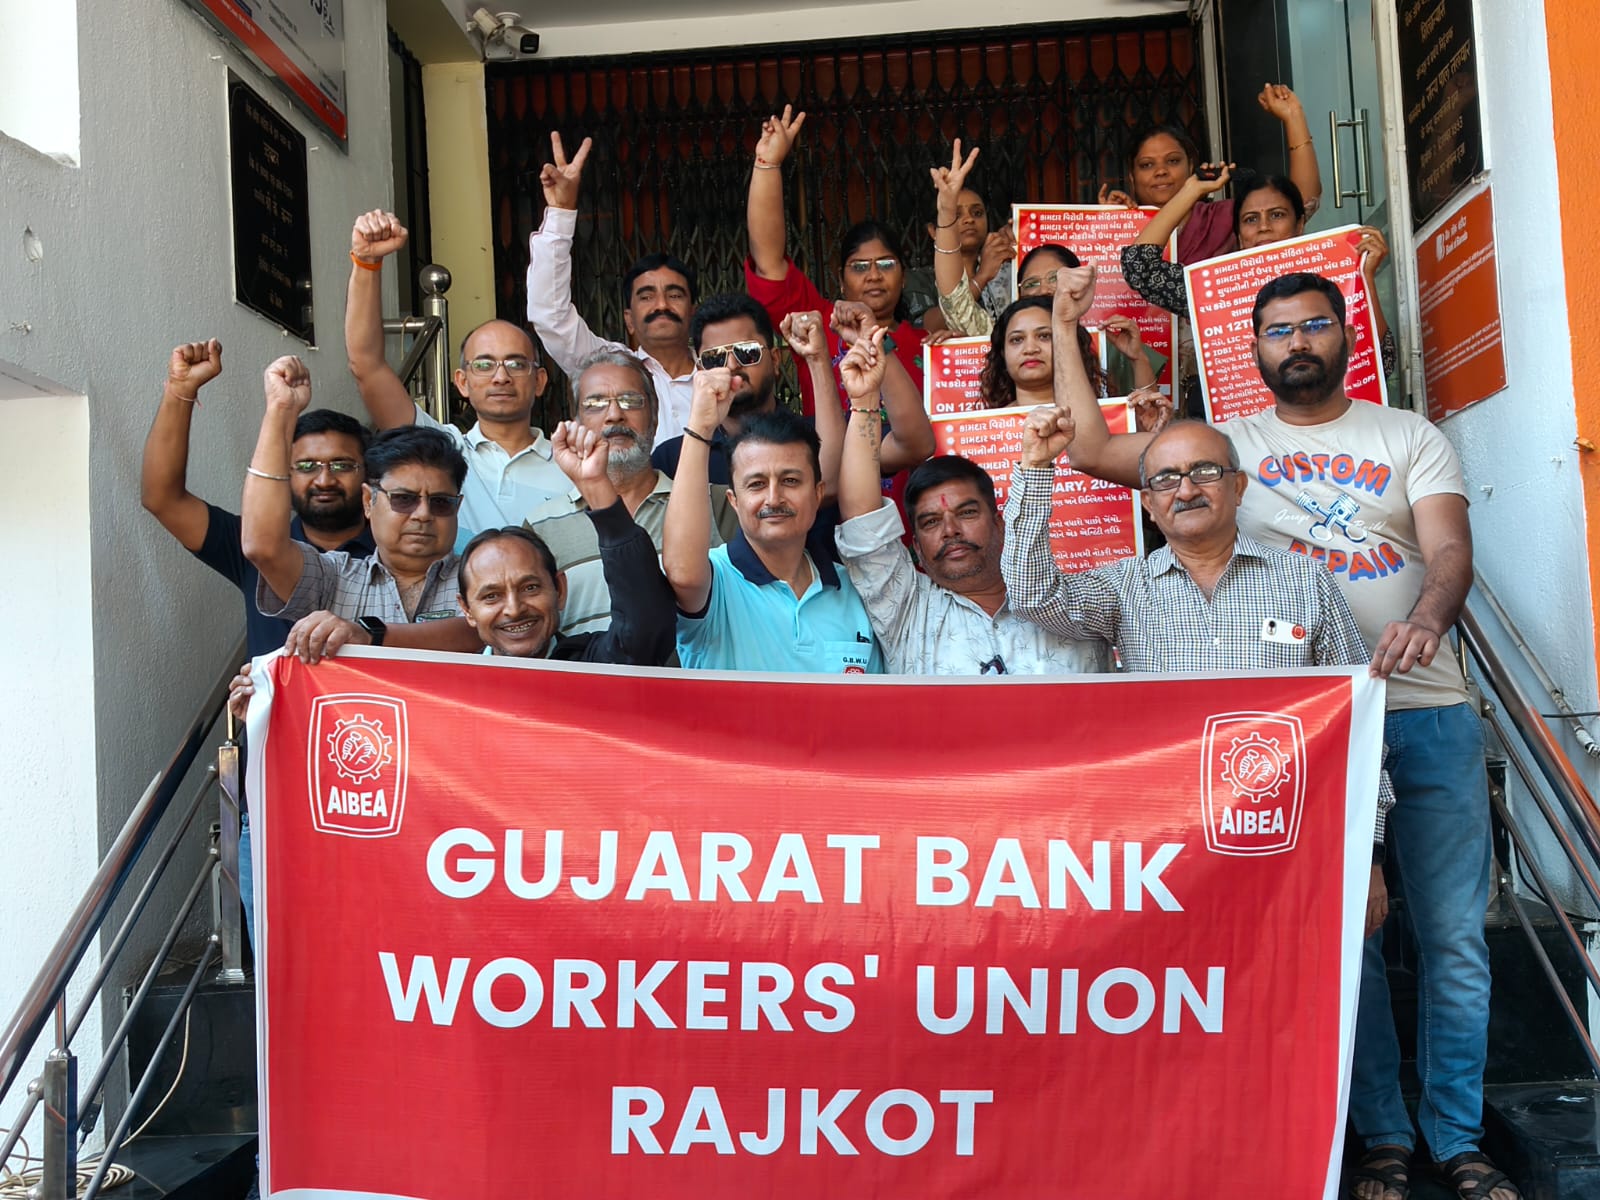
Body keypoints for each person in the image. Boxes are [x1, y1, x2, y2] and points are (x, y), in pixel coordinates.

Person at [1049, 267, 1517, 1200]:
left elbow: (1450, 551)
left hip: (1423, 709)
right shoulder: (1223, 448)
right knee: (1345, 941)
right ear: (1253, 347)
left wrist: (1426, 620)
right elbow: (1094, 447)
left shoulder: (1406, 434)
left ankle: (1458, 1140)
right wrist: (1067, 326)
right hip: (1301, 741)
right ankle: (1383, 1137)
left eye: (1314, 325)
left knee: (1454, 939)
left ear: (1347, 333)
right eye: (1277, 330)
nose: (1297, 342)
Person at [833, 328, 1107, 675]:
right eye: (931, 522)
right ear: (916, 548)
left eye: (966, 512)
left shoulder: (1072, 604)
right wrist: (864, 403)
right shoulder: (906, 608)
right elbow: (862, 521)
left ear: (1000, 524)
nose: (950, 530)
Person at [345, 209, 567, 548]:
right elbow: (366, 365)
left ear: (539, 381)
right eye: (484, 364)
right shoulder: (441, 450)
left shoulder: (572, 466)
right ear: (462, 382)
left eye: (515, 363)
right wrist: (367, 264)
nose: (501, 377)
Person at [141, 339, 375, 657]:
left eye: (341, 465)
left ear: (368, 474)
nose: (324, 480)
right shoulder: (252, 545)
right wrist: (180, 390)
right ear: (284, 473)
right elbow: (163, 498)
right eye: (307, 466)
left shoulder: (397, 547)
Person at [663, 366, 881, 673]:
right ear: (734, 501)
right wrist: (700, 427)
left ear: (817, 494)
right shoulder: (716, 582)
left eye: (790, 481)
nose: (774, 498)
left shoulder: (853, 589)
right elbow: (682, 574)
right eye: (756, 484)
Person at [243, 357, 468, 629]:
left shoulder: (484, 578)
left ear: (457, 507)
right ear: (368, 501)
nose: (423, 514)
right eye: (404, 499)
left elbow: (474, 634)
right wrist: (280, 410)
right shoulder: (334, 578)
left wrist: (369, 635)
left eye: (440, 502)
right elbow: (263, 547)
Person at [744, 106, 932, 432]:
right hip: (833, 465)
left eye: (886, 264)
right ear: (841, 281)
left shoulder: (927, 344)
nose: (874, 275)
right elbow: (769, 261)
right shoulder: (818, 325)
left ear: (904, 277)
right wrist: (767, 164)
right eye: (859, 267)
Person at [527, 347, 736, 637]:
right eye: (596, 403)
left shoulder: (718, 504)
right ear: (576, 421)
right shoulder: (541, 526)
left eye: (630, 401)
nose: (615, 415)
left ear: (655, 417)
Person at [1122, 169, 1395, 375]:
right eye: (1251, 219)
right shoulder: (1218, 288)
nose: (1264, 226)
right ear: (1239, 235)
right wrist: (1191, 191)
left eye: (1277, 215)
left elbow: (1382, 362)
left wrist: (1365, 280)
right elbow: (1140, 266)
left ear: (1300, 224)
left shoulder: (1329, 280)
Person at [525, 132, 699, 443]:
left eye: (674, 294)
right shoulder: (609, 366)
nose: (661, 305)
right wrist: (561, 213)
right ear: (629, 319)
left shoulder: (719, 373)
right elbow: (550, 315)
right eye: (647, 296)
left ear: (693, 312)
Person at [1098, 84, 1322, 266]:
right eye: (1147, 165)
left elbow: (1303, 201)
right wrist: (1104, 227)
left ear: (1191, 167)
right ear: (1132, 177)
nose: (1161, 171)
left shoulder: (1223, 217)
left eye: (1173, 161)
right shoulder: (1121, 226)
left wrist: (1293, 117)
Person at [906, 171, 1014, 333]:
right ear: (933, 231)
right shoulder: (921, 279)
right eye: (956, 215)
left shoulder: (1005, 270)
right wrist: (982, 276)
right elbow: (929, 326)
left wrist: (1020, 244)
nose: (969, 219)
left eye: (977, 213)